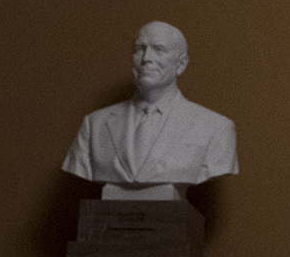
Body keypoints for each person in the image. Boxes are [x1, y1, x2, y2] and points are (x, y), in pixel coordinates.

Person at [61, 20, 238, 197]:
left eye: (159, 50)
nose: (146, 58)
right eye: (140, 49)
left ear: (181, 64)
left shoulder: (216, 127)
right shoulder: (95, 124)